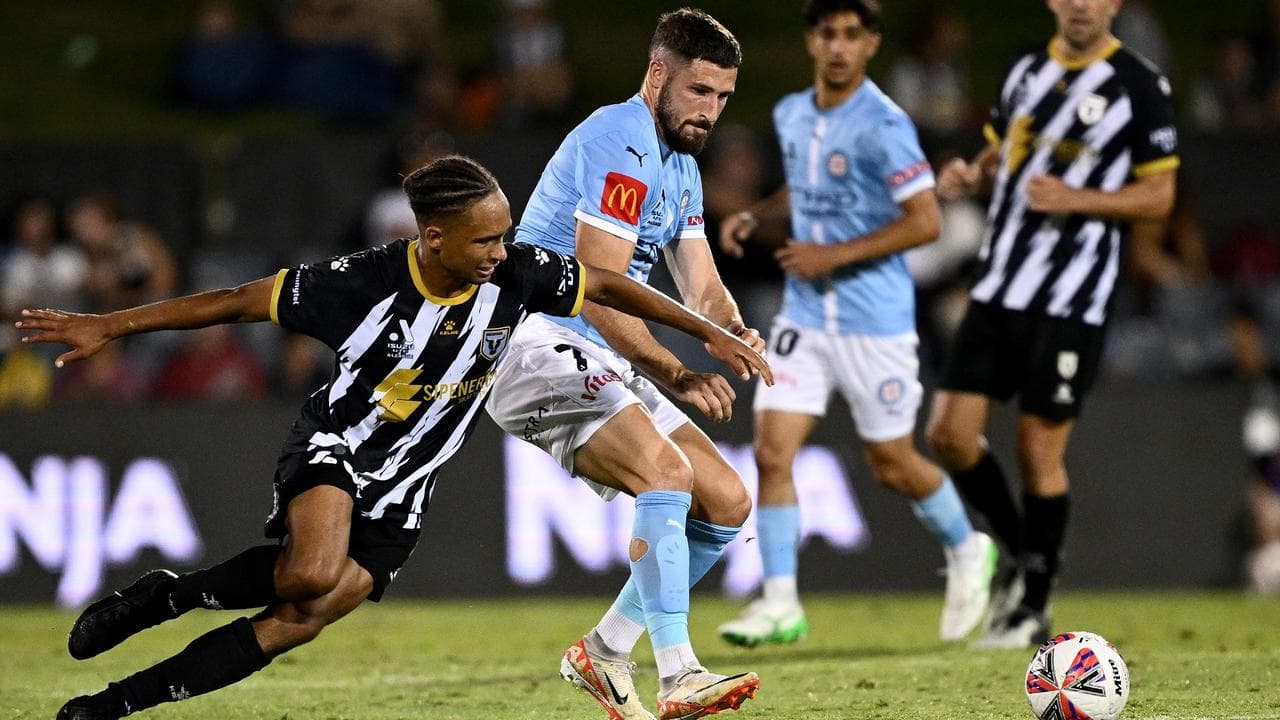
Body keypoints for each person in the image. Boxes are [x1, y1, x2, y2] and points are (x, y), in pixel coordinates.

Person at [17, 155, 770, 720]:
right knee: (310, 574)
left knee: (294, 624)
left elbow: (604, 285)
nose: (501, 253)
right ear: (434, 238)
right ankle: (169, 598)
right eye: (485, 241)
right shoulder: (363, 282)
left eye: (505, 237)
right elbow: (237, 301)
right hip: (337, 447)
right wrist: (112, 323)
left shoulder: (513, 275)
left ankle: (113, 700)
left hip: (408, 488)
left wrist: (703, 331)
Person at [484, 9, 763, 720]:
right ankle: (680, 674)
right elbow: (598, 287)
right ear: (658, 72)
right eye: (700, 91)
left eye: (723, 98)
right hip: (532, 339)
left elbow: (700, 284)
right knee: (664, 473)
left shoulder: (682, 166)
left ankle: (604, 652)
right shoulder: (620, 139)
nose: (710, 112)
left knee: (726, 500)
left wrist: (730, 328)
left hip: (593, 348)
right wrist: (678, 370)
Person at [713, 0, 996, 649]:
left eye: (851, 35)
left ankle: (967, 546)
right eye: (826, 34)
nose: (837, 47)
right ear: (812, 41)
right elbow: (807, 189)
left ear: (869, 44)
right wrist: (758, 215)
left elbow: (925, 220)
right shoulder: (791, 113)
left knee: (893, 464)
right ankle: (780, 600)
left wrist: (830, 255)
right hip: (805, 317)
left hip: (875, 320)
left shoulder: (886, 125)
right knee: (772, 450)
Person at [925, 0, 1179, 648]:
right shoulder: (1024, 71)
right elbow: (997, 148)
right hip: (999, 285)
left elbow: (1159, 194)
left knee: (1039, 448)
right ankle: (1027, 552)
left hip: (1073, 298)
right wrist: (970, 173)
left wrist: (1080, 199)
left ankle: (1032, 603)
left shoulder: (1139, 86)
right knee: (950, 434)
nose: (1080, 4)